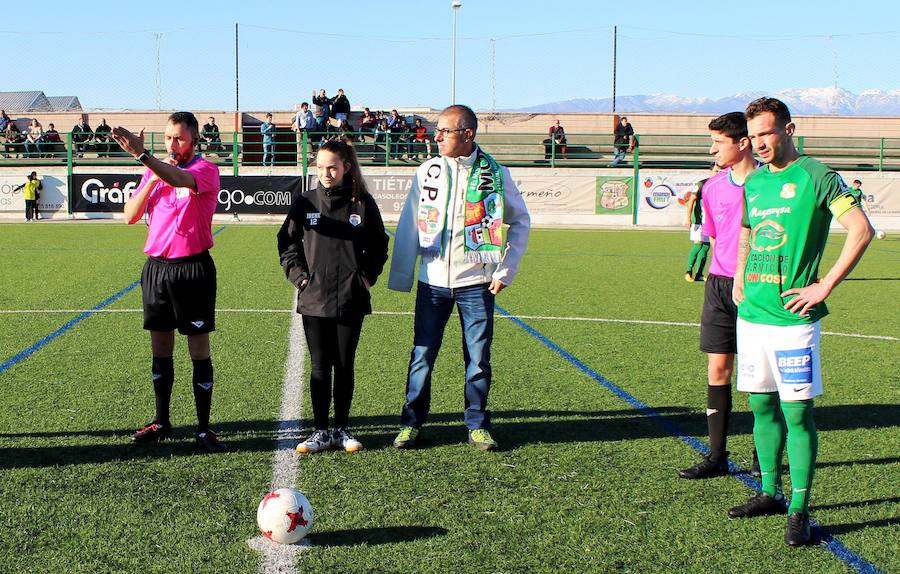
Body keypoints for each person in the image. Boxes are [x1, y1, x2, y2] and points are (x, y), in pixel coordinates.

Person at [729, 97, 873, 546]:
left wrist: (824, 285)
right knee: (760, 406)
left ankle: (799, 507)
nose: (760, 144)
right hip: (752, 316)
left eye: (767, 134)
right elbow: (749, 231)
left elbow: (861, 229)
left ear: (789, 130)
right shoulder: (753, 182)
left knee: (797, 412)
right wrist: (739, 274)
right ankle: (769, 492)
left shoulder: (816, 176)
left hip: (794, 319)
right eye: (753, 137)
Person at [387, 104, 532, 452]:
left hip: (477, 285)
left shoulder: (495, 174)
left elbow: (521, 222)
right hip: (432, 283)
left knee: (478, 358)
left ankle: (477, 424)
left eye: (444, 131)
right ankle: (411, 423)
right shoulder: (427, 171)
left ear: (467, 134)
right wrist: (404, 274)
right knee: (422, 354)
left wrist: (505, 270)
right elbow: (409, 222)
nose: (436, 136)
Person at [112, 111, 227, 453]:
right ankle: (161, 421)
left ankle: (204, 429)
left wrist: (143, 155)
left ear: (194, 139)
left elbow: (179, 179)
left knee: (198, 350)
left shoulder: (205, 170)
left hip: (193, 270)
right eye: (167, 138)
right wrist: (148, 176)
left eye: (179, 138)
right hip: (157, 270)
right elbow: (130, 217)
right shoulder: (154, 172)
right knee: (160, 350)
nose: (172, 144)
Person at [277, 139, 389, 454]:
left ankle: (341, 429)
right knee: (319, 365)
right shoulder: (305, 202)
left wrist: (366, 277)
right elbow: (287, 243)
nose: (327, 173)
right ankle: (320, 431)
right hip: (314, 298)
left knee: (344, 363)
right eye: (322, 167)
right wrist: (299, 277)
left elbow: (380, 245)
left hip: (350, 297)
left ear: (345, 168)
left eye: (333, 167)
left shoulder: (363, 203)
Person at [678, 112, 761, 480]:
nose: (712, 150)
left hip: (761, 286)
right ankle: (716, 457)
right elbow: (714, 237)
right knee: (718, 369)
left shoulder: (768, 185)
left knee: (761, 377)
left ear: (742, 143)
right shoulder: (712, 187)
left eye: (718, 143)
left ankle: (765, 459)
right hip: (719, 284)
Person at [683, 175, 711, 282]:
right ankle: (688, 272)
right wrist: (688, 218)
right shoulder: (701, 184)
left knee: (706, 247)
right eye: (716, 170)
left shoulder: (718, 184)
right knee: (698, 245)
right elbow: (691, 200)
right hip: (698, 221)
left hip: (709, 222)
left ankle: (699, 274)